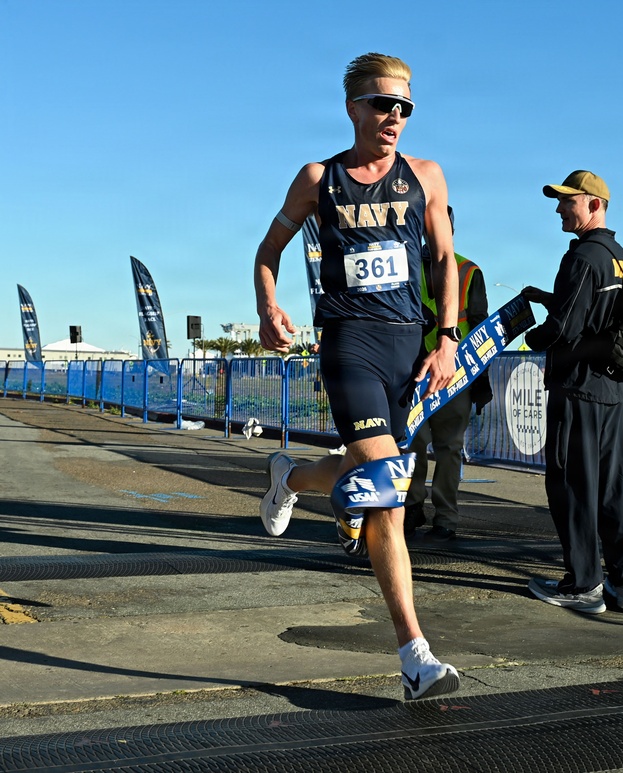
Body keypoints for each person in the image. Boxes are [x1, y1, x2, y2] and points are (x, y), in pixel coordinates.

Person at [253, 52, 462, 700]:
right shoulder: (319, 178)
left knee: (361, 471)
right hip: (349, 344)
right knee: (387, 498)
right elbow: (268, 250)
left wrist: (448, 337)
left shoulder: (426, 176)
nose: (394, 117)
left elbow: (446, 257)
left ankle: (288, 475)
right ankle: (414, 656)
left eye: (405, 107)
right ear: (353, 107)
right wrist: (268, 304)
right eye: (382, 104)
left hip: (409, 348)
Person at [521, 170, 623, 615]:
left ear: (594, 204)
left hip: (576, 389)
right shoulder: (618, 256)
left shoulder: (582, 258)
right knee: (611, 490)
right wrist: (550, 297)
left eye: (567, 201)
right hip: (610, 388)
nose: (559, 208)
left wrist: (529, 337)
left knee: (571, 485)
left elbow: (564, 329)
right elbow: (597, 315)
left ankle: (583, 585)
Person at [404, 208, 492, 541]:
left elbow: (481, 329)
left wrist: (481, 383)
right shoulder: (404, 269)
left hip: (454, 377)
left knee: (448, 448)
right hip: (413, 376)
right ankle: (413, 507)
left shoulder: (468, 271)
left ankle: (445, 518)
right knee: (412, 445)